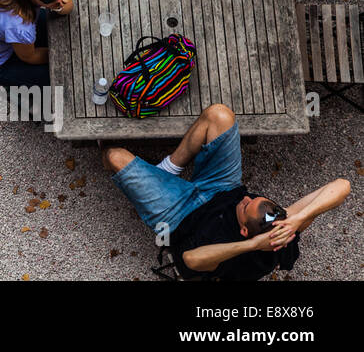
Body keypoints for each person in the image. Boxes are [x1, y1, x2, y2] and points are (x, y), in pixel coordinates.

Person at [102, 104, 350, 280]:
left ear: (244, 231)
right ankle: (169, 168)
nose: (246, 198)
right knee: (219, 115)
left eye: (245, 206)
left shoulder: (238, 258)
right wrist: (296, 219)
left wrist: (252, 245)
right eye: (253, 198)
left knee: (113, 156)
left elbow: (190, 260)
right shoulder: (281, 229)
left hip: (178, 213)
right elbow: (342, 186)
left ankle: (162, 180)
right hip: (221, 187)